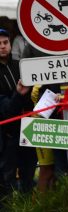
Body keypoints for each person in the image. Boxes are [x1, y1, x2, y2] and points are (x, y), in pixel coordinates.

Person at [0, 28, 34, 195]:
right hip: (6, 135)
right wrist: (19, 95)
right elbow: (5, 109)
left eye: (5, 42)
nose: (2, 46)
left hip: (27, 128)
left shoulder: (19, 65)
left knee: (28, 174)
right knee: (6, 180)